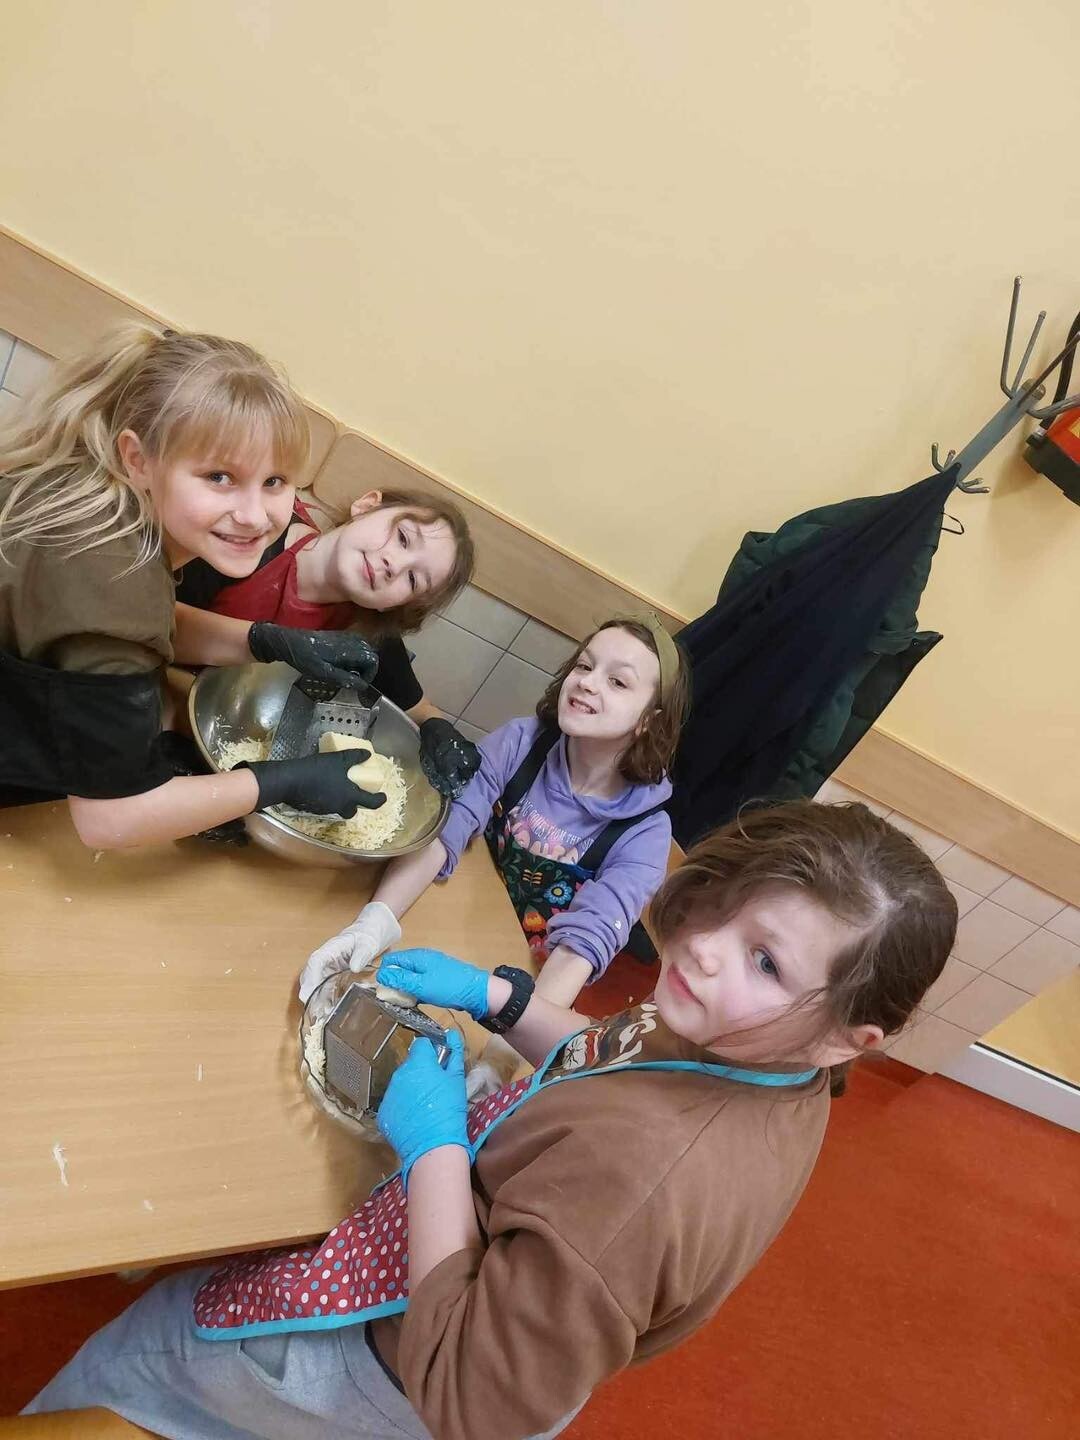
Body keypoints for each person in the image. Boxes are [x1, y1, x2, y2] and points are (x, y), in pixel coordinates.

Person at [25, 799, 958, 1440]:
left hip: (407, 1367)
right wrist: (503, 1001)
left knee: (161, 1343)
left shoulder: (642, 1178)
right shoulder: (769, 1056)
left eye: (766, 962)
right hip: (532, 1306)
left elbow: (469, 1398)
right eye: (729, 913)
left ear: (849, 1038)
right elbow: (615, 1053)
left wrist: (433, 1144)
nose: (706, 949)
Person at [0, 324, 386, 847]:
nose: (254, 515)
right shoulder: (110, 569)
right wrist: (278, 782)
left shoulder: (94, 495)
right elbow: (111, 818)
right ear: (138, 458)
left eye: (274, 481)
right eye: (219, 477)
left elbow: (115, 631)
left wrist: (263, 641)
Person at [298, 614, 691, 1022]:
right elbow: (446, 828)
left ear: (649, 721)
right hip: (450, 910)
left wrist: (514, 1038)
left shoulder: (645, 832)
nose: (588, 683)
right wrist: (375, 922)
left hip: (532, 978)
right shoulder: (521, 743)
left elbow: (584, 944)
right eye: (585, 665)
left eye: (618, 682)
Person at [175, 486, 483, 798]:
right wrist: (262, 641)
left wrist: (438, 730)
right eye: (403, 538)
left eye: (413, 580)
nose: (395, 565)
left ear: (393, 607)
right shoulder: (253, 533)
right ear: (366, 506)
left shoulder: (364, 635)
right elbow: (156, 627)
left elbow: (421, 710)